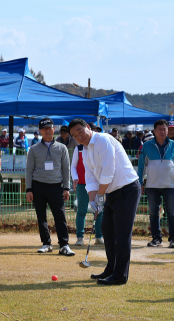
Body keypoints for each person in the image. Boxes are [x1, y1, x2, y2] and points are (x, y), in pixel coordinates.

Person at [69, 118, 141, 285]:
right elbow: (90, 177)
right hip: (110, 192)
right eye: (74, 135)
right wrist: (93, 200)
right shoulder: (84, 150)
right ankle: (111, 269)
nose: (79, 136)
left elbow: (108, 172)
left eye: (80, 131)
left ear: (88, 127)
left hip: (127, 189)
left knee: (122, 235)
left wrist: (100, 197)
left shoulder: (103, 139)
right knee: (107, 229)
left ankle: (120, 275)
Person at [25, 118, 75, 256]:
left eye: (50, 128)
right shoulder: (34, 149)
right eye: (44, 128)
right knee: (41, 217)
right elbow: (29, 170)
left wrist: (66, 188)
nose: (47, 130)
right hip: (38, 186)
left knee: (60, 216)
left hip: (56, 186)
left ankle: (64, 245)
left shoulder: (62, 148)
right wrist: (29, 189)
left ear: (54, 129)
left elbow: (66, 169)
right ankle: (46, 243)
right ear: (40, 131)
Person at [137, 119, 174, 249]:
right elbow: (141, 166)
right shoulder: (147, 146)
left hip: (170, 185)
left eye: (165, 129)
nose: (163, 132)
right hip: (152, 185)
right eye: (160, 129)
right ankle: (156, 238)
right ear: (154, 131)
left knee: (172, 213)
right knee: (153, 213)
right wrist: (140, 183)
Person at [71, 143, 104, 246]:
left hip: (98, 184)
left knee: (99, 210)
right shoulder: (79, 148)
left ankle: (99, 237)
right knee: (81, 210)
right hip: (82, 184)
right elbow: (73, 166)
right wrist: (75, 178)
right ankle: (80, 237)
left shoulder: (100, 146)